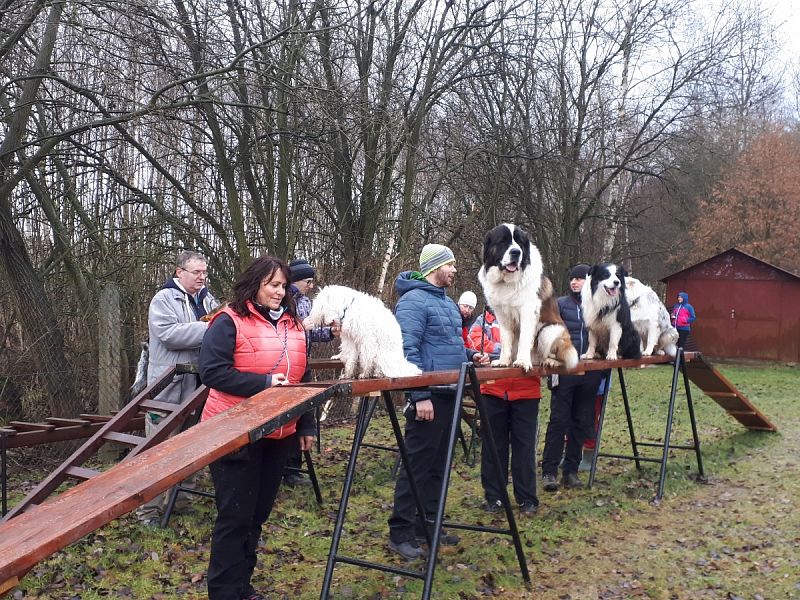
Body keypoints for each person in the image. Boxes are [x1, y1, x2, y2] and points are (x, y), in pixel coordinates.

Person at [198, 256, 314, 600]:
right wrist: (264, 383)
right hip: (234, 431)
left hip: (279, 433)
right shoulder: (227, 320)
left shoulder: (294, 324)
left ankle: (243, 588)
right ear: (255, 285)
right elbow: (212, 372)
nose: (280, 292)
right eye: (272, 285)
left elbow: (302, 378)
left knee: (257, 515)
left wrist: (307, 425)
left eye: (283, 286)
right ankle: (223, 592)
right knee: (235, 517)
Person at [388, 244, 489, 560]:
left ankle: (427, 525)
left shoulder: (445, 304)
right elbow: (407, 351)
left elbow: (451, 345)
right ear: (435, 267)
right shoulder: (412, 302)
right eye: (451, 265)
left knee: (438, 467)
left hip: (451, 393)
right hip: (429, 396)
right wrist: (419, 395)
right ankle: (401, 531)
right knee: (416, 466)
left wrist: (472, 356)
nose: (455, 271)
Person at [136, 250, 218, 525]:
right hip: (167, 389)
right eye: (197, 273)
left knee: (190, 447)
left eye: (204, 273)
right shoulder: (163, 299)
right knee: (158, 452)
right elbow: (169, 335)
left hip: (198, 386)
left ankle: (181, 502)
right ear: (179, 273)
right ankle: (148, 511)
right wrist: (210, 329)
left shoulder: (207, 299)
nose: (202, 278)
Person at [467, 306, 541, 515]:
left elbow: (543, 345)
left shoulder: (534, 314)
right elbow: (478, 346)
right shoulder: (484, 321)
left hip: (526, 390)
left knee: (524, 448)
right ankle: (494, 496)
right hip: (493, 390)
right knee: (493, 446)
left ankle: (527, 498)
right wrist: (504, 351)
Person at [541, 264, 608, 491]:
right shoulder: (560, 305)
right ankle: (549, 471)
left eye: (579, 279)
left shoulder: (600, 307)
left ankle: (571, 471)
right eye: (572, 278)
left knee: (582, 421)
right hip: (563, 372)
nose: (574, 282)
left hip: (590, 372)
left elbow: (606, 336)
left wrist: (604, 367)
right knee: (559, 421)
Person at [282, 258, 340, 486]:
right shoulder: (280, 299)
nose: (311, 285)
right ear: (296, 280)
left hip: (302, 363)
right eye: (308, 280)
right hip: (281, 365)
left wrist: (330, 333)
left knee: (302, 415)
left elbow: (310, 333)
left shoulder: (306, 302)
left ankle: (293, 471)